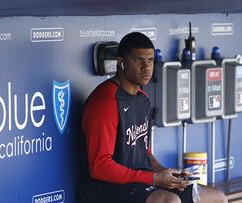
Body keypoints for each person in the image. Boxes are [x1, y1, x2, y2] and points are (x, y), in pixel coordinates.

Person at [79, 32, 227, 203]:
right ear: (121, 62)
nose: (146, 67)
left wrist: (168, 175)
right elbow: (100, 166)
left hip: (139, 181)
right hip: (106, 188)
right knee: (169, 201)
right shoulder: (105, 101)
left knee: (217, 198)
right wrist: (154, 179)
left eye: (150, 60)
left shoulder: (143, 99)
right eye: (138, 60)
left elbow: (144, 151)